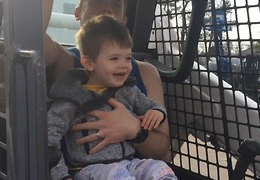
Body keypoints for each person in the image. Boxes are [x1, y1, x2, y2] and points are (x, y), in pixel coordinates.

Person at [48, 14, 177, 180]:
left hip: (128, 163)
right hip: (89, 169)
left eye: (128, 58)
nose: (124, 65)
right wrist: (61, 176)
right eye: (114, 58)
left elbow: (151, 106)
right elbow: (49, 137)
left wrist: (158, 112)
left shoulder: (128, 91)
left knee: (158, 168)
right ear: (89, 63)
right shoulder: (71, 98)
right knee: (118, 175)